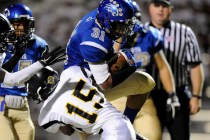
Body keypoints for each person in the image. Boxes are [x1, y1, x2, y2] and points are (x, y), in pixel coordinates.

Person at [64, 1, 155, 136]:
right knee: (146, 82)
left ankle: (125, 126)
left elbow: (112, 50)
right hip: (82, 89)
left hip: (77, 80)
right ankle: (74, 117)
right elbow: (105, 83)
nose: (125, 30)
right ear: (107, 21)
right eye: (121, 26)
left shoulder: (101, 17)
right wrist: (130, 67)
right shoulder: (93, 43)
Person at [111, 1, 180, 140]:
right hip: (117, 96)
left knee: (153, 137)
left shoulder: (149, 35)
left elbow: (162, 66)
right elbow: (109, 66)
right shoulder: (110, 37)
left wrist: (172, 94)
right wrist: (119, 40)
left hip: (143, 98)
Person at [25, 66, 149, 140]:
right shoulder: (71, 72)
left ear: (39, 91)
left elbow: (68, 131)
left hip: (112, 131)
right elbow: (97, 79)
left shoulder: (46, 115)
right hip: (120, 123)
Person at [144, 0, 204, 140]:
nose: (160, 9)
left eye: (164, 6)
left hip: (178, 94)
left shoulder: (184, 32)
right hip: (148, 98)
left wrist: (196, 96)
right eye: (157, 5)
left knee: (181, 136)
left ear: (171, 9)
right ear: (150, 7)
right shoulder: (141, 32)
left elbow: (195, 65)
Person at [0, 3, 59, 140]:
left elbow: (41, 74)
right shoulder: (3, 45)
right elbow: (9, 77)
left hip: (22, 103)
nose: (20, 29)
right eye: (15, 25)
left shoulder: (39, 45)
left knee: (28, 134)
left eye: (23, 24)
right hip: (2, 102)